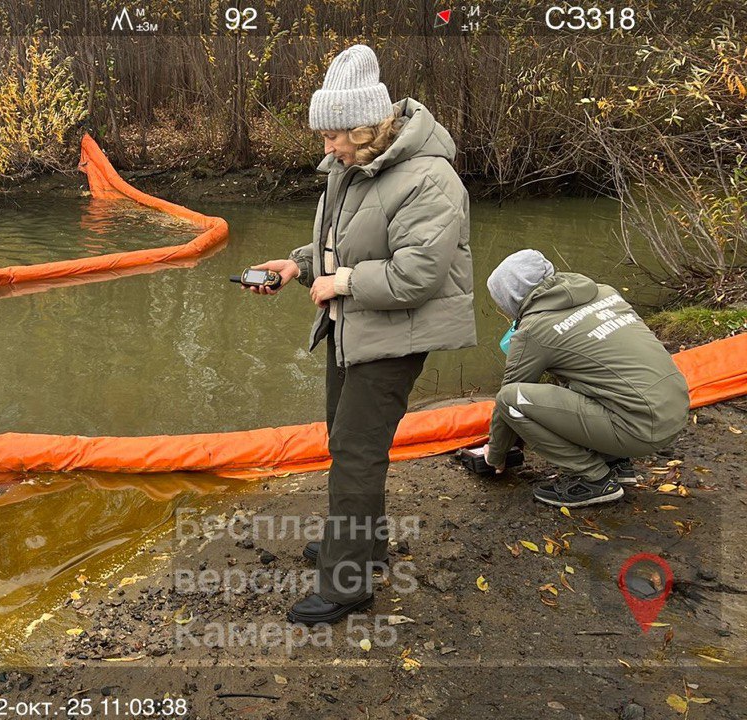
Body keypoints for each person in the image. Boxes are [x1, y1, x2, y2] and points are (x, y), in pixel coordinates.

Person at [247, 44, 475, 626]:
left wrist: (343, 282)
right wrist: (298, 266)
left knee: (354, 451)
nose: (326, 149)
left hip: (395, 335)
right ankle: (364, 547)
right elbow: (339, 241)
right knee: (346, 441)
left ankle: (348, 585)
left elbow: (418, 275)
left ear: (368, 125)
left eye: (334, 136)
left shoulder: (430, 179)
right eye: (324, 137)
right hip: (351, 326)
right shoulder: (350, 168)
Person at [482, 249, 690, 507]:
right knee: (583, 372)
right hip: (677, 408)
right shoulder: (604, 292)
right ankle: (615, 460)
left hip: (641, 428)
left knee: (510, 399)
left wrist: (496, 454)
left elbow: (508, 401)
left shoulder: (534, 330)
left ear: (511, 299)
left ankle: (594, 479)